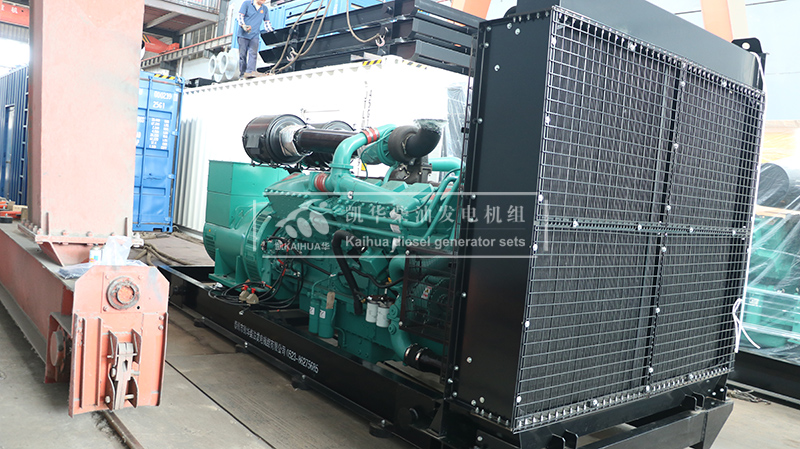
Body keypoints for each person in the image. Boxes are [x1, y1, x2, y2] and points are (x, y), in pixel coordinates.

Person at [238, 0, 273, 79]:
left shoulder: (264, 9)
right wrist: (243, 25)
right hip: (243, 35)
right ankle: (242, 74)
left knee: (253, 54)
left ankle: (250, 72)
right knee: (242, 55)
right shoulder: (247, 4)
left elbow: (267, 23)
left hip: (254, 36)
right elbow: (240, 16)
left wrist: (271, 32)